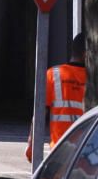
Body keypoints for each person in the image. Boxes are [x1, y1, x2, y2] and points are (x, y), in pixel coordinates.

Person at [26, 32, 86, 162]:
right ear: (86, 54)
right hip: (89, 153)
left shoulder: (53, 74)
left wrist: (32, 145)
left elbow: (40, 113)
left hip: (59, 151)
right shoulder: (94, 79)